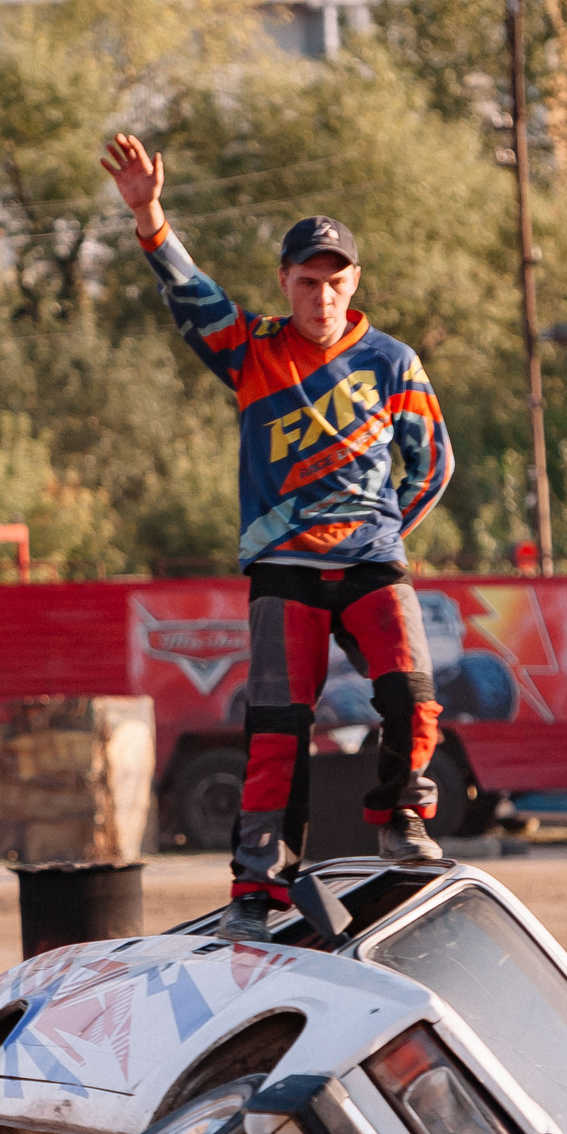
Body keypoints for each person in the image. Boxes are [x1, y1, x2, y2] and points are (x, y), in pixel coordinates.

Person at [101, 134, 455, 940]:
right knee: (276, 729)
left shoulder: (392, 362)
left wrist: (386, 529)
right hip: (284, 564)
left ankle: (400, 817)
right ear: (286, 284)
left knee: (412, 691)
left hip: (369, 559)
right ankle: (259, 884)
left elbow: (432, 460)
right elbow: (193, 296)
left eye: (335, 281)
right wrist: (151, 217)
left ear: (354, 283)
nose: (321, 296)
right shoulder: (254, 348)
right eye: (307, 281)